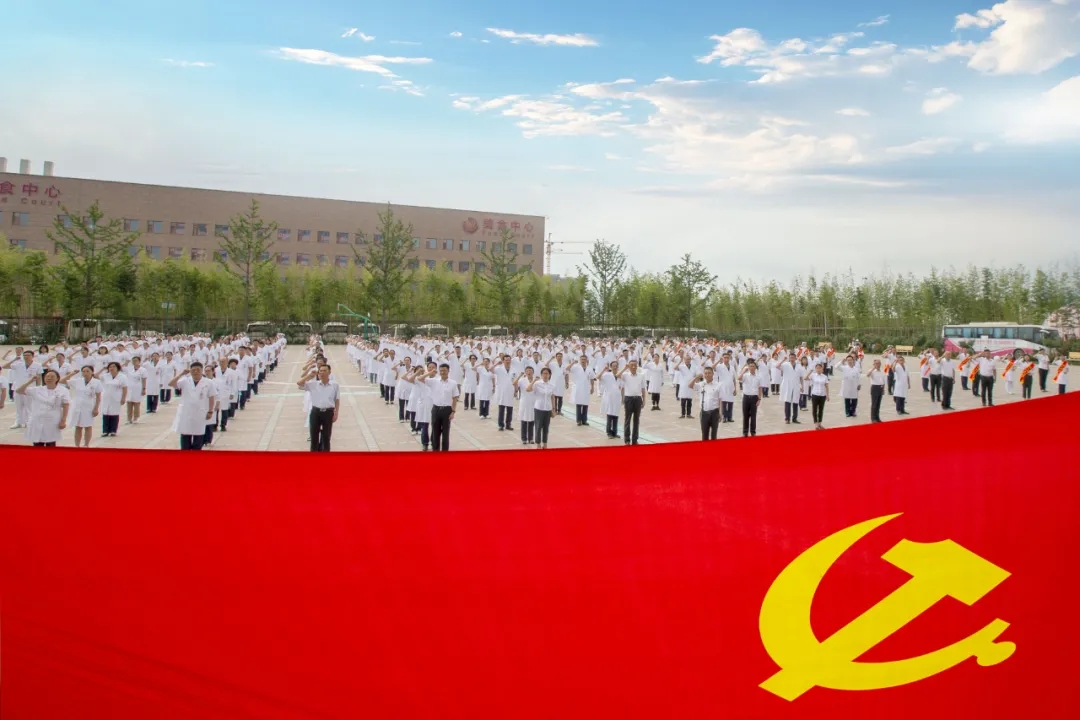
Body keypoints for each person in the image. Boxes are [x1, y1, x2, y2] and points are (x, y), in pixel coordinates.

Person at [16, 369, 70, 447]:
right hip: (37, 419)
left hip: (52, 421)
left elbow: (66, 405)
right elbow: (19, 391)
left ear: (57, 378)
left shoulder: (63, 390)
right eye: (47, 376)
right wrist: (30, 381)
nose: (49, 378)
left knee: (50, 444)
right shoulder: (37, 389)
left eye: (52, 376)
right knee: (37, 443)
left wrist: (63, 421)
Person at [169, 362, 214, 450]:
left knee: (198, 438)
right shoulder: (185, 380)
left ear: (202, 370)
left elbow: (211, 397)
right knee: (185, 438)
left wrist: (210, 411)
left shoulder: (208, 382)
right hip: (186, 413)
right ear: (190, 371)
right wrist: (181, 374)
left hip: (200, 413)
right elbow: (171, 384)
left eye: (198, 370)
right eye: (193, 370)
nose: (196, 372)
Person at [298, 364, 340, 452]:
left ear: (329, 372)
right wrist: (309, 376)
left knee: (326, 437)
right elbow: (299, 383)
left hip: (328, 412)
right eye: (320, 371)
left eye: (325, 371)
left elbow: (337, 399)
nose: (322, 373)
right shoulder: (313, 384)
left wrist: (336, 413)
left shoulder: (334, 385)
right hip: (315, 412)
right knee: (314, 437)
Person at [62, 365, 103, 447]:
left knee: (88, 426)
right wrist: (72, 373)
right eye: (83, 371)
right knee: (78, 426)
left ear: (92, 372)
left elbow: (98, 397)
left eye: (87, 371)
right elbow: (61, 381)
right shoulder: (78, 381)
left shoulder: (96, 382)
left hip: (89, 407)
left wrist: (96, 408)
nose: (85, 373)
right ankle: (77, 445)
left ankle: (86, 445)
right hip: (77, 406)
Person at [424, 362, 459, 452]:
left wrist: (453, 412)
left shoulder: (453, 383)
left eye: (445, 370)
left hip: (447, 410)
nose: (443, 372)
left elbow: (455, 398)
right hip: (436, 409)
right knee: (435, 432)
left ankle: (445, 452)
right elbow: (420, 379)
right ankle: (436, 451)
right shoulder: (434, 381)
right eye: (441, 371)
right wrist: (430, 372)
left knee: (445, 433)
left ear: (448, 371)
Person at [4, 349, 42, 429]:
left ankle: (28, 422)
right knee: (18, 406)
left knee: (29, 406)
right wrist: (14, 360)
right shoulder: (18, 364)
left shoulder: (37, 365)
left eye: (28, 355)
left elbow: (39, 377)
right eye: (24, 355)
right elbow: (5, 366)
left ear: (32, 356)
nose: (26, 357)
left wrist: (38, 388)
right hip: (18, 388)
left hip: (30, 388)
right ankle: (18, 422)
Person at [689, 365, 722, 440]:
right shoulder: (701, 384)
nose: (707, 375)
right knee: (704, 434)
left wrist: (720, 413)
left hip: (714, 412)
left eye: (709, 373)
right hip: (704, 412)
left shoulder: (718, 385)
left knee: (714, 435)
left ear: (713, 374)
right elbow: (690, 386)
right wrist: (696, 378)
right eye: (706, 373)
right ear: (704, 374)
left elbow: (720, 399)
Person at [619, 359, 647, 446]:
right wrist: (624, 368)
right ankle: (627, 440)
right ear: (629, 366)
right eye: (632, 365)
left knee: (636, 420)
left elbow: (643, 388)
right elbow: (617, 375)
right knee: (627, 419)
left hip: (638, 399)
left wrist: (644, 399)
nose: (634, 367)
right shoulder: (625, 375)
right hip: (628, 399)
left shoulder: (641, 375)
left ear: (637, 366)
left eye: (635, 365)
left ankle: (635, 440)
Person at [97, 361, 128, 437]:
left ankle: (113, 430)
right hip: (106, 397)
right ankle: (105, 431)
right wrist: (102, 369)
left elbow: (125, 388)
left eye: (114, 366)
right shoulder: (105, 376)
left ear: (118, 368)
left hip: (116, 398)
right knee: (106, 413)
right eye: (110, 367)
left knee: (114, 413)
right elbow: (95, 375)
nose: (112, 368)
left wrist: (123, 398)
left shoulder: (122, 377)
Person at [528, 367, 556, 449]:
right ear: (541, 375)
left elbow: (553, 397)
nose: (545, 375)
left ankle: (545, 443)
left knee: (546, 427)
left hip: (548, 409)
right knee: (538, 427)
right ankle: (538, 444)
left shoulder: (552, 385)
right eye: (543, 373)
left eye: (547, 373)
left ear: (549, 375)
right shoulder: (537, 384)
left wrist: (554, 409)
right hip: (539, 408)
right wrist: (534, 380)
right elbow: (528, 389)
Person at [738, 360, 763, 438]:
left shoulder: (759, 377)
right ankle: (745, 432)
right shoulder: (745, 376)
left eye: (753, 366)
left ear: (755, 367)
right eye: (750, 366)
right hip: (746, 397)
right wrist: (743, 371)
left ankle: (753, 432)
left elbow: (760, 388)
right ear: (748, 367)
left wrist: (759, 399)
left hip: (754, 398)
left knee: (753, 416)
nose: (751, 367)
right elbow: (738, 378)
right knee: (745, 416)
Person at [598, 361, 622, 439]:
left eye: (616, 366)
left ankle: (615, 432)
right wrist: (603, 369)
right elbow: (598, 377)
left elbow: (623, 388)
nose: (615, 367)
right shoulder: (607, 375)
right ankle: (609, 432)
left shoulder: (620, 376)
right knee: (609, 415)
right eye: (613, 366)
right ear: (611, 367)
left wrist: (623, 398)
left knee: (616, 415)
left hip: (617, 398)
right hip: (609, 398)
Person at [570, 354, 595, 426]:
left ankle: (584, 420)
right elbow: (567, 368)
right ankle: (578, 420)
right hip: (578, 388)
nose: (583, 361)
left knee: (585, 404)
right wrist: (572, 363)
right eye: (582, 359)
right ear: (580, 360)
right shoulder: (576, 367)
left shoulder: (590, 369)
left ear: (587, 360)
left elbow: (592, 378)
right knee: (579, 404)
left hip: (586, 388)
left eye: (584, 359)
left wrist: (592, 387)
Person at [516, 366, 537, 445]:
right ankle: (524, 438)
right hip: (524, 402)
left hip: (533, 402)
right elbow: (515, 384)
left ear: (533, 372)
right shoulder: (522, 380)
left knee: (532, 420)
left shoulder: (537, 381)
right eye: (527, 371)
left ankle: (531, 438)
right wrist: (519, 376)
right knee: (524, 420)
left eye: (530, 371)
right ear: (525, 372)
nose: (529, 372)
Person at [779, 352, 801, 425]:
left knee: (795, 402)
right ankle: (787, 418)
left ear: (795, 358)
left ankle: (795, 418)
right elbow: (777, 366)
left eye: (793, 357)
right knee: (787, 402)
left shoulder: (798, 366)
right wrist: (783, 360)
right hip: (787, 386)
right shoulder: (785, 364)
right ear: (789, 358)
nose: (792, 359)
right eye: (791, 357)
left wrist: (802, 385)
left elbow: (801, 376)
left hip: (796, 386)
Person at [808, 362, 830, 430]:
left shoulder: (825, 377)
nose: (818, 369)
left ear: (822, 369)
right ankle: (816, 424)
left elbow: (826, 386)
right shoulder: (813, 375)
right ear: (815, 369)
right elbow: (805, 378)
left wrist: (827, 395)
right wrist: (810, 372)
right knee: (814, 410)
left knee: (821, 410)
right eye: (817, 368)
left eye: (820, 368)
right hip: (815, 394)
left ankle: (820, 423)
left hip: (822, 395)